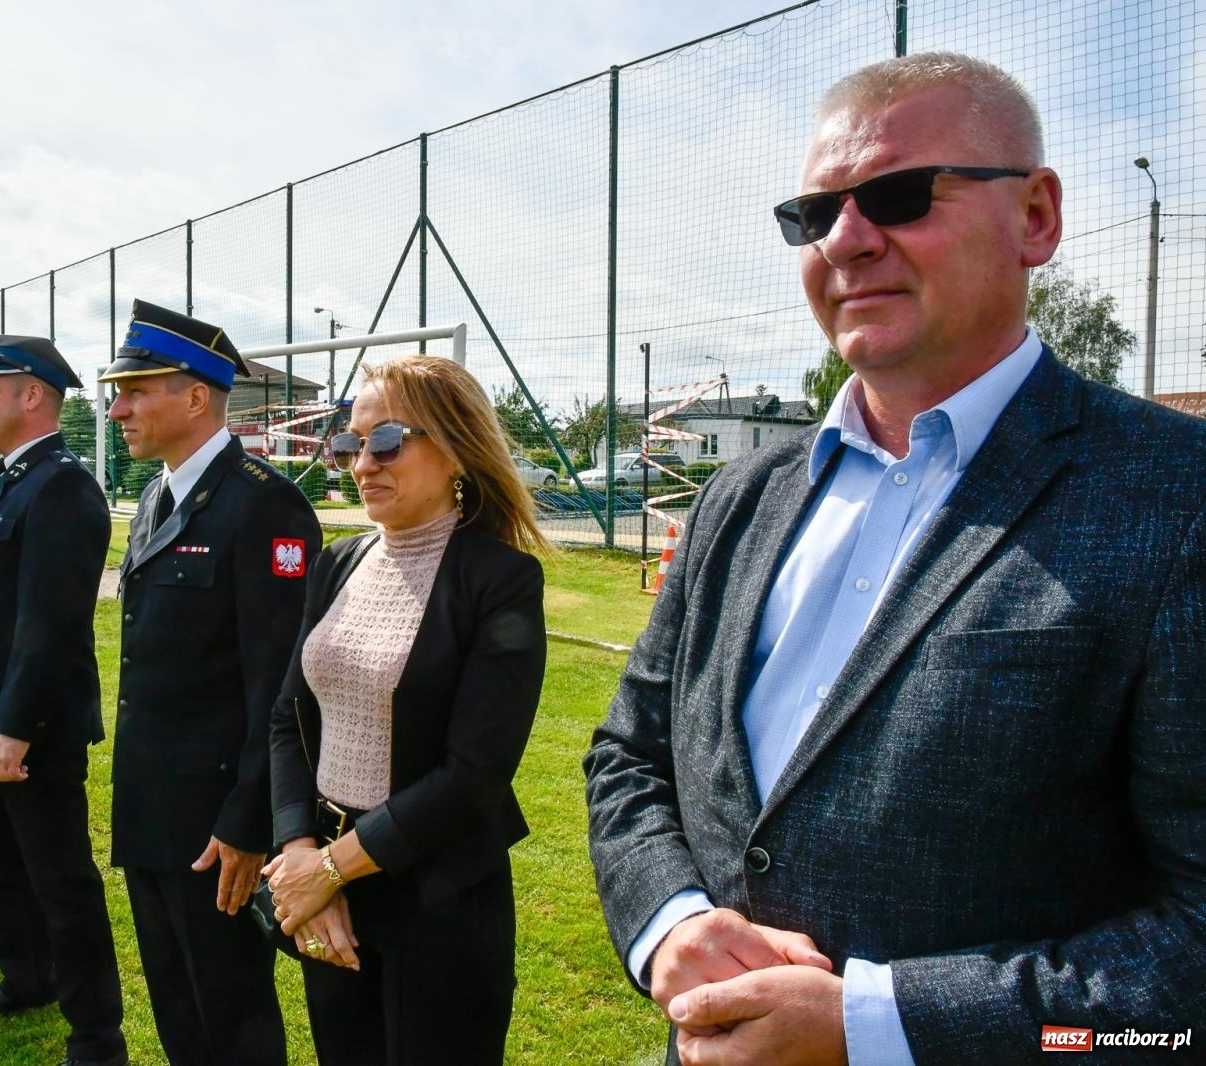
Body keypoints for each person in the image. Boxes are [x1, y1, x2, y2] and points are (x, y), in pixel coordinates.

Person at [583, 52, 1206, 1065]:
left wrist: (878, 1026)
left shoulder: (1178, 498)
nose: (845, 239)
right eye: (811, 214)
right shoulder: (740, 498)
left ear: (1036, 217)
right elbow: (630, 754)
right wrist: (670, 923)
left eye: (898, 195)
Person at [264, 354, 549, 1065]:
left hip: (440, 898)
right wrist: (302, 854)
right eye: (350, 444)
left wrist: (332, 867)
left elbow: (476, 772)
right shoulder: (337, 562)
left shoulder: (500, 580)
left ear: (456, 449)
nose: (363, 464)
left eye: (387, 441)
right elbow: (289, 718)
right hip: (331, 889)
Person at [101, 300, 319, 1066]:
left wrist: (250, 820)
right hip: (151, 805)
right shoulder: (155, 497)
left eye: (135, 392)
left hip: (217, 824)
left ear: (196, 397)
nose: (117, 410)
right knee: (177, 1003)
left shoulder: (263, 502)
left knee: (232, 1015)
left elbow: (284, 686)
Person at [0, 335, 126, 1066]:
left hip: (30, 728)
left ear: (33, 395)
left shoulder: (62, 485)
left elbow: (51, 624)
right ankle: (26, 979)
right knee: (7, 866)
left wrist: (16, 726)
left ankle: (96, 1037)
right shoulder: (6, 476)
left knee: (61, 880)